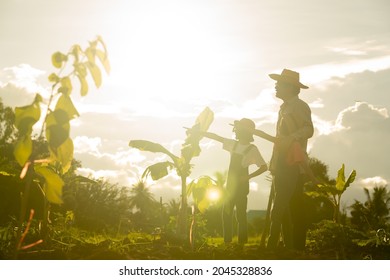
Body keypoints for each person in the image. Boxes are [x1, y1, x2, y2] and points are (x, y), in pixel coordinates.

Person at [254, 69, 314, 250]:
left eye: (279, 83)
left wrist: (293, 137)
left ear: (290, 87)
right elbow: (279, 139)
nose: (276, 86)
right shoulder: (284, 108)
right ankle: (289, 246)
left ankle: (296, 247)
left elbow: (308, 129)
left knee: (294, 205)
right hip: (282, 161)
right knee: (285, 206)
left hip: (293, 163)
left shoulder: (299, 106)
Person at [198, 118, 267, 244]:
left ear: (245, 132)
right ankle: (227, 242)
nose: (236, 131)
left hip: (241, 186)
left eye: (239, 128)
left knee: (240, 215)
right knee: (226, 213)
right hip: (230, 185)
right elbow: (216, 137)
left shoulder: (252, 149)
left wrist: (248, 177)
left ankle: (242, 242)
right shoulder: (233, 144)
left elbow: (264, 167)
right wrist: (201, 133)